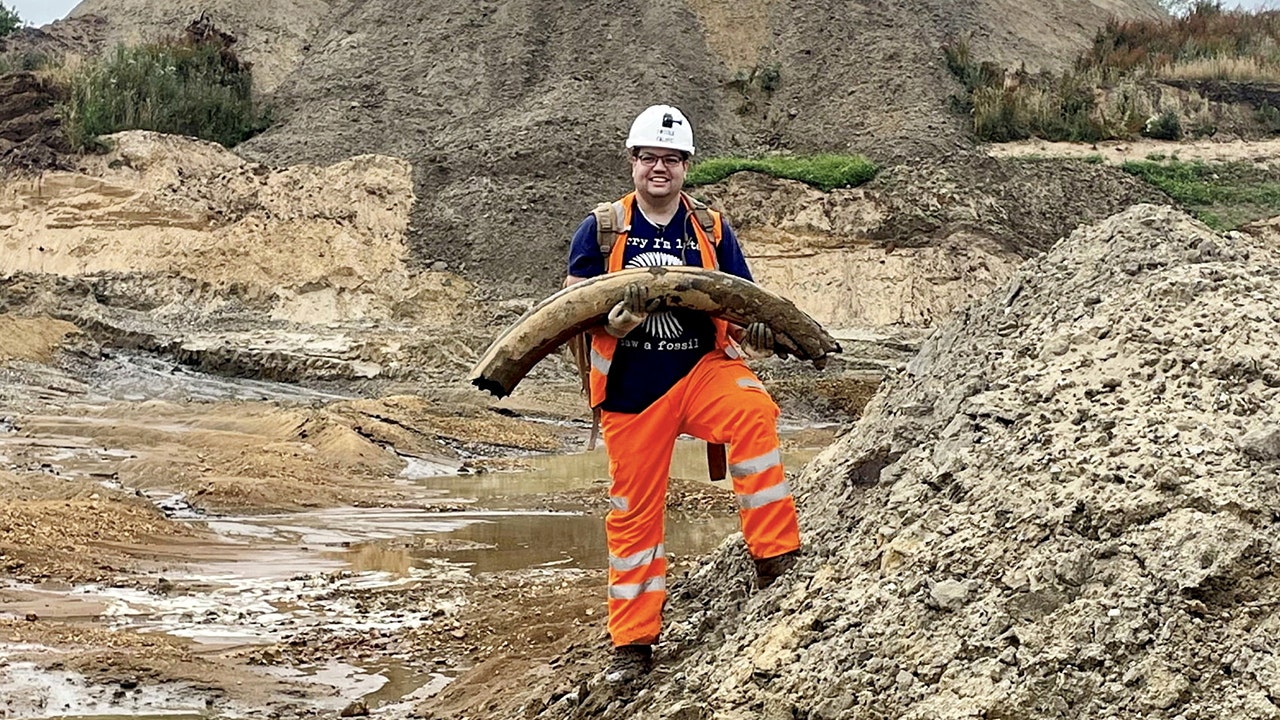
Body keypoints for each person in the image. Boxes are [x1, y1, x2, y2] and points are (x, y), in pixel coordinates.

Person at [564, 104, 802, 683]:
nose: (660, 168)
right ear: (632, 162)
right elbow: (568, 314)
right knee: (633, 515)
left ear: (687, 167)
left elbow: (741, 305)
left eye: (672, 159)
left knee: (753, 410)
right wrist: (613, 326)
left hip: (700, 372)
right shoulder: (601, 229)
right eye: (650, 158)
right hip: (631, 392)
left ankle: (775, 558)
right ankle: (633, 645)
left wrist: (761, 337)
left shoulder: (713, 230)